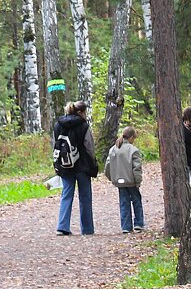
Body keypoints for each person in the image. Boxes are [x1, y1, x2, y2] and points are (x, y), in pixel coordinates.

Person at [52, 100, 97, 235]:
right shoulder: (83, 125)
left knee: (66, 194)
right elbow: (89, 146)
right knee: (85, 196)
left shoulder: (57, 125)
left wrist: (56, 162)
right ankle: (87, 229)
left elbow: (54, 144)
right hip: (82, 164)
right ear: (81, 112)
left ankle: (62, 226)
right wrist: (93, 161)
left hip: (65, 164)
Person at [104, 126, 145, 233]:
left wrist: (112, 178)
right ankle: (138, 223)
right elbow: (136, 168)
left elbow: (107, 167)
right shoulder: (134, 150)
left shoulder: (113, 149)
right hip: (131, 181)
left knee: (124, 202)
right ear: (131, 137)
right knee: (136, 201)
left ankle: (126, 226)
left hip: (119, 181)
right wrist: (138, 181)